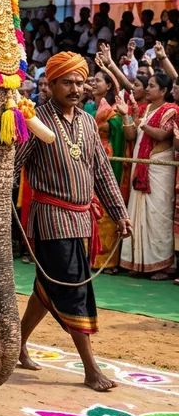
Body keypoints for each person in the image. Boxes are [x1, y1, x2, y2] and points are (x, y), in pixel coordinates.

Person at [16, 52, 131, 392]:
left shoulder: (87, 122)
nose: (75, 88)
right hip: (51, 218)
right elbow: (13, 164)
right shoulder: (34, 120)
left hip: (82, 219)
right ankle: (91, 369)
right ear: (50, 84)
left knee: (47, 289)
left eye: (80, 82)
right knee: (73, 289)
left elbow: (102, 173)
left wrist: (120, 213)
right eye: (67, 82)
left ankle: (16, 344)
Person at [119, 73, 177, 280]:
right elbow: (131, 136)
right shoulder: (146, 109)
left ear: (164, 91)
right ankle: (138, 262)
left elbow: (162, 135)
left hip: (159, 168)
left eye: (152, 86)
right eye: (148, 85)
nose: (148, 89)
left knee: (157, 215)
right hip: (141, 166)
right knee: (136, 214)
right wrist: (125, 116)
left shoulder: (171, 109)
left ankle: (162, 266)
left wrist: (142, 123)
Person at [84, 67, 128, 273]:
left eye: (98, 81)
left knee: (105, 206)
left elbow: (122, 133)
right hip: (86, 159)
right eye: (92, 80)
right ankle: (87, 256)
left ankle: (107, 261)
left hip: (107, 159)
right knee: (87, 206)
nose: (93, 84)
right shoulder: (87, 106)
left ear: (109, 85)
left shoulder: (116, 109)